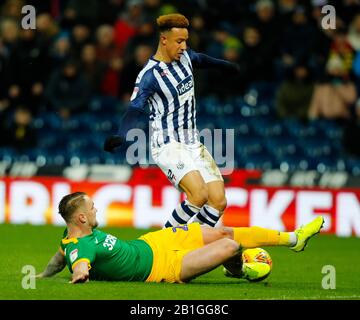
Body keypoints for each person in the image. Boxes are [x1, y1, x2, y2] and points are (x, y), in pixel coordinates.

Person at [104, 13, 241, 228]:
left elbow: (201, 59)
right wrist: (121, 135)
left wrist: (225, 66)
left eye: (186, 40)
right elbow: (135, 108)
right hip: (167, 144)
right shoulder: (150, 75)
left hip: (192, 141)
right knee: (198, 195)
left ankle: (198, 250)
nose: (184, 46)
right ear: (164, 40)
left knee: (218, 201)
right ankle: (164, 244)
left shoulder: (185, 57)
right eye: (179, 41)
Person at [37, 192, 324, 284]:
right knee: (231, 245)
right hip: (166, 268)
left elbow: (61, 255)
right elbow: (78, 263)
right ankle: (239, 269)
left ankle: (293, 239)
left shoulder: (69, 237)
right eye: (92, 207)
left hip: (154, 242)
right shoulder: (82, 245)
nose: (96, 208)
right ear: (83, 218)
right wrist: (79, 275)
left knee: (224, 231)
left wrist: (42, 275)